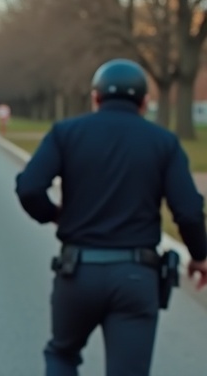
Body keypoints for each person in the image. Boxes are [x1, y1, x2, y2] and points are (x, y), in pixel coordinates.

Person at [15, 58, 207, 376]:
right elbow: (187, 210)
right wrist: (199, 256)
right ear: (145, 102)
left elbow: (29, 188)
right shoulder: (164, 143)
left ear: (95, 98)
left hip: (78, 272)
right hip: (136, 276)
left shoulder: (66, 134)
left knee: (62, 355)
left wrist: (54, 215)